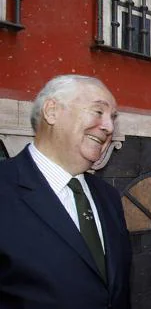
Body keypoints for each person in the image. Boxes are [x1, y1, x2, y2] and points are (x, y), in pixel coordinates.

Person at [0, 75, 132, 309]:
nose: (109, 127)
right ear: (52, 112)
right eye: (98, 112)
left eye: (112, 118)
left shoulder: (108, 197)